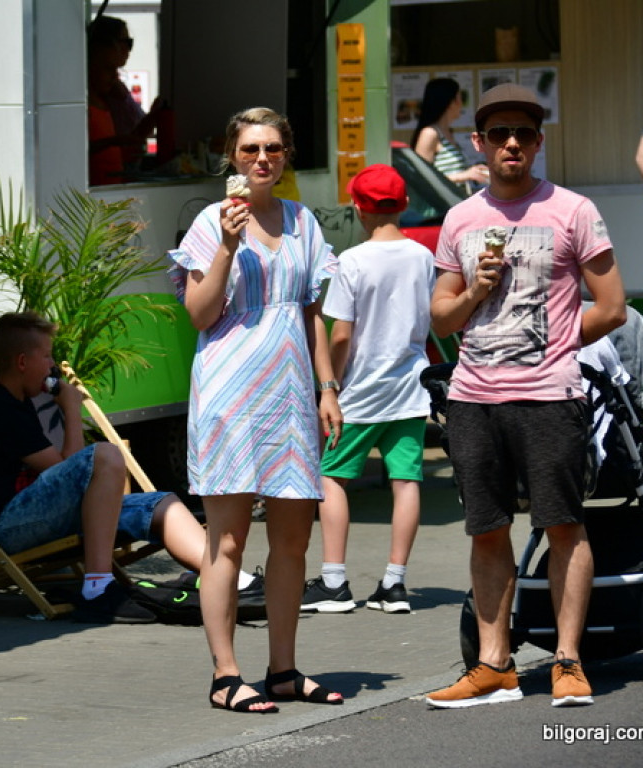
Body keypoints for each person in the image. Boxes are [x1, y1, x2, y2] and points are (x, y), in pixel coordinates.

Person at [426, 83, 626, 709]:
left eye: (527, 134)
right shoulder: (460, 219)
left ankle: (568, 660)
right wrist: (476, 293)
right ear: (480, 144)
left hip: (550, 398)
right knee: (487, 532)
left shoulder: (572, 210)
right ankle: (494, 666)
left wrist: (555, 344)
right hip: (473, 399)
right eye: (500, 134)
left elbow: (614, 307)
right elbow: (440, 320)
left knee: (563, 526)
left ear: (539, 143)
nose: (513, 143)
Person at [167, 107, 344, 714]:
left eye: (272, 149)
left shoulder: (302, 221)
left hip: (290, 394)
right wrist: (225, 244)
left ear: (285, 155)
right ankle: (225, 674)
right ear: (231, 157)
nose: (261, 159)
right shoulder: (209, 222)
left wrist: (327, 387)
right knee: (229, 541)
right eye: (249, 150)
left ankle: (284, 670)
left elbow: (312, 311)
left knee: (294, 539)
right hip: (230, 397)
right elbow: (199, 312)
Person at [0, 311, 262, 625]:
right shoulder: (3, 410)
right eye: (47, 357)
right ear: (23, 362)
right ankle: (97, 589)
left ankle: (232, 579)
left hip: (38, 514)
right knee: (105, 455)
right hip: (8, 526)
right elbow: (70, 471)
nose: (52, 366)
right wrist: (70, 409)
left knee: (163, 504)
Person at [301, 164, 434, 616]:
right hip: (411, 389)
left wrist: (330, 388)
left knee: (332, 477)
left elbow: (340, 335)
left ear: (358, 207)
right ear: (403, 204)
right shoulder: (423, 257)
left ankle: (335, 582)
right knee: (406, 481)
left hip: (360, 391)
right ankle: (395, 585)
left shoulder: (353, 261)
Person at [86, 15, 162, 183]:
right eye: (108, 68)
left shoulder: (107, 96)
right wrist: (116, 142)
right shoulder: (85, 104)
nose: (115, 76)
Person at [411, 78, 489, 191]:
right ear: (451, 102)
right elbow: (421, 178)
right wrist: (464, 175)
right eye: (460, 98)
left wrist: (474, 172)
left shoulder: (448, 132)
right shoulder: (430, 133)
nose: (461, 104)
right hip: (439, 206)